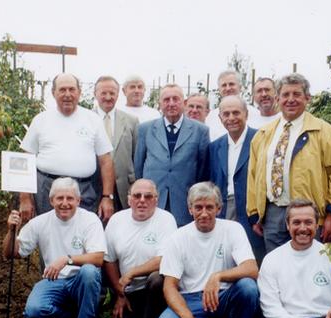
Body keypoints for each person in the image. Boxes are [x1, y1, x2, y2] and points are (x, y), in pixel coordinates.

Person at [153, 182, 259, 318]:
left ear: (219, 208)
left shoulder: (233, 229)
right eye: (198, 207)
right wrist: (187, 317)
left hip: (223, 296)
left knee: (248, 288)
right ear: (190, 209)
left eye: (209, 207)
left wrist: (218, 276)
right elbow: (169, 286)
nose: (204, 213)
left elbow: (252, 269)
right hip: (190, 299)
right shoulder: (177, 237)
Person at [247, 73, 331, 253]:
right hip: (272, 215)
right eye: (285, 95)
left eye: (296, 94)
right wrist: (254, 213)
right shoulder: (263, 135)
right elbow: (253, 176)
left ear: (307, 98)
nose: (290, 100)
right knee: (278, 267)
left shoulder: (323, 131)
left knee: (309, 266)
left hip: (309, 215)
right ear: (277, 99)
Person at [3, 177, 106, 318]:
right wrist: (11, 231)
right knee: (34, 310)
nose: (64, 203)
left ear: (78, 201)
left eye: (70, 198)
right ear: (51, 201)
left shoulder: (90, 220)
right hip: (53, 281)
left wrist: (67, 259)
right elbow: (11, 253)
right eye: (59, 198)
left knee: (89, 272)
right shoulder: (40, 222)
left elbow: (98, 259)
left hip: (80, 280)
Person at [19, 73, 115, 223]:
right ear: (53, 93)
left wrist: (107, 197)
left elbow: (106, 161)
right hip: (47, 190)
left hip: (83, 189)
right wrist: (25, 198)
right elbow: (25, 159)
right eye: (62, 90)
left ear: (79, 92)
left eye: (72, 89)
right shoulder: (40, 120)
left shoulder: (93, 120)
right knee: (48, 236)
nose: (68, 95)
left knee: (82, 235)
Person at [104, 179, 177, 318]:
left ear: (156, 200)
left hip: (154, 289)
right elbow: (109, 260)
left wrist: (132, 272)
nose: (142, 200)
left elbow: (164, 259)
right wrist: (120, 294)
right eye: (137, 196)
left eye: (148, 196)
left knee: (157, 278)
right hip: (129, 290)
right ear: (129, 199)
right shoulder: (116, 220)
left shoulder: (166, 219)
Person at [134, 84, 210, 227]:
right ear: (160, 104)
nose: (171, 104)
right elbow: (138, 165)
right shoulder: (145, 129)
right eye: (166, 100)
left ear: (184, 103)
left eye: (176, 99)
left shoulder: (200, 131)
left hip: (183, 200)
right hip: (153, 199)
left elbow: (203, 169)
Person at [209, 95, 265, 262]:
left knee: (253, 257)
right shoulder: (214, 146)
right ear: (220, 118)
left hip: (251, 210)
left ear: (246, 114)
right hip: (224, 209)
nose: (231, 118)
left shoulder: (260, 139)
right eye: (226, 114)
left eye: (236, 113)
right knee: (225, 257)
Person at [94, 75, 139, 210]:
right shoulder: (87, 120)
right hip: (95, 187)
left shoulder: (131, 121)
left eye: (112, 93)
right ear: (95, 94)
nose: (108, 97)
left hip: (124, 188)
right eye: (103, 93)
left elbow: (136, 155)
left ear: (118, 94)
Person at [204, 70, 260, 141]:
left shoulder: (255, 113)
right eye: (224, 85)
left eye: (231, 84)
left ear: (240, 87)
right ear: (219, 89)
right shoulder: (211, 117)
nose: (228, 88)